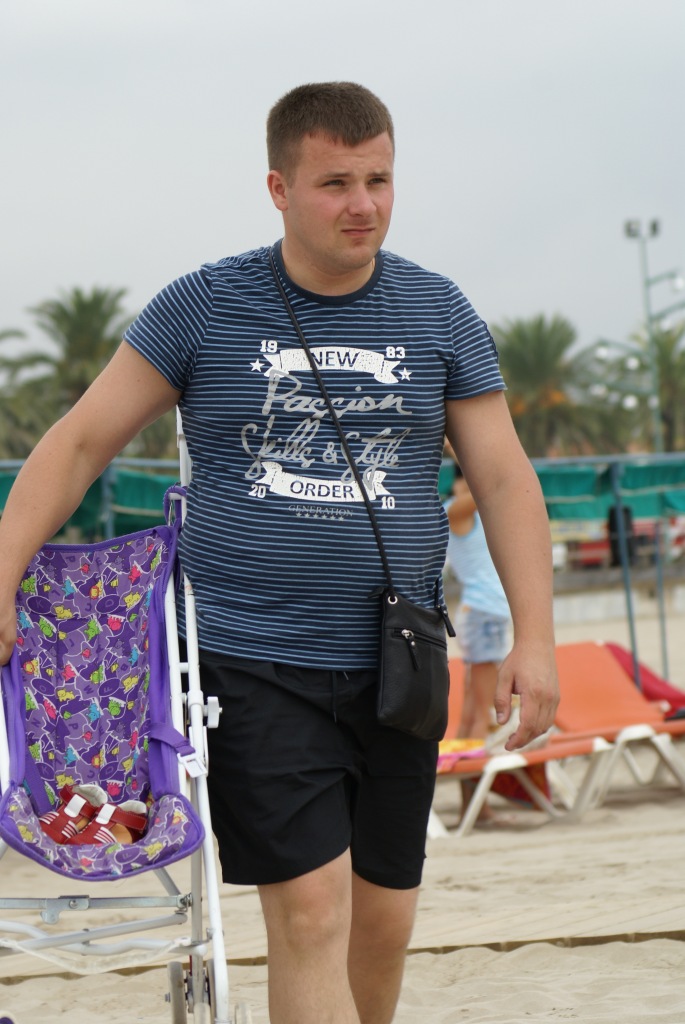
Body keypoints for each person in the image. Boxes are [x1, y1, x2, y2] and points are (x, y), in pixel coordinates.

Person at [0, 82, 559, 1024]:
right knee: (310, 913)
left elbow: (503, 479)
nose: (363, 204)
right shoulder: (204, 305)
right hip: (249, 661)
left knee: (381, 924)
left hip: (400, 660)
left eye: (378, 180)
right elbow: (81, 442)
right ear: (278, 188)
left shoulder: (438, 312)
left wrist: (534, 639)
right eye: (335, 182)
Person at [445, 460, 512, 822]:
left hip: (483, 614)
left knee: (473, 711)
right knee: (478, 715)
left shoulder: (465, 512)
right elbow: (490, 477)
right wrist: (462, 451)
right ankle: (476, 805)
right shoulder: (456, 511)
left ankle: (472, 802)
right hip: (484, 614)